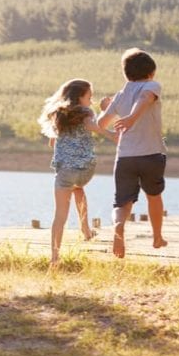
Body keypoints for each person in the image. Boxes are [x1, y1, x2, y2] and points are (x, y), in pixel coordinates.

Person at [38, 78, 118, 265]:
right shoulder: (86, 111)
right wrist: (110, 134)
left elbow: (53, 140)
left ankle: (55, 257)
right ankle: (86, 231)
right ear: (80, 97)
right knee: (78, 188)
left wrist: (60, 143)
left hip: (65, 170)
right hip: (85, 169)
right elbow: (92, 124)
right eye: (89, 97)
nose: (91, 101)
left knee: (60, 215)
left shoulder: (59, 114)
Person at [98, 48, 167, 258]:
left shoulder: (120, 95)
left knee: (121, 202)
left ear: (126, 73)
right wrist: (132, 118)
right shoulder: (152, 85)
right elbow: (145, 99)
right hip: (151, 153)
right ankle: (157, 237)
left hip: (125, 157)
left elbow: (100, 123)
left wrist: (109, 111)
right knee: (153, 196)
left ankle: (118, 228)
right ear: (151, 72)